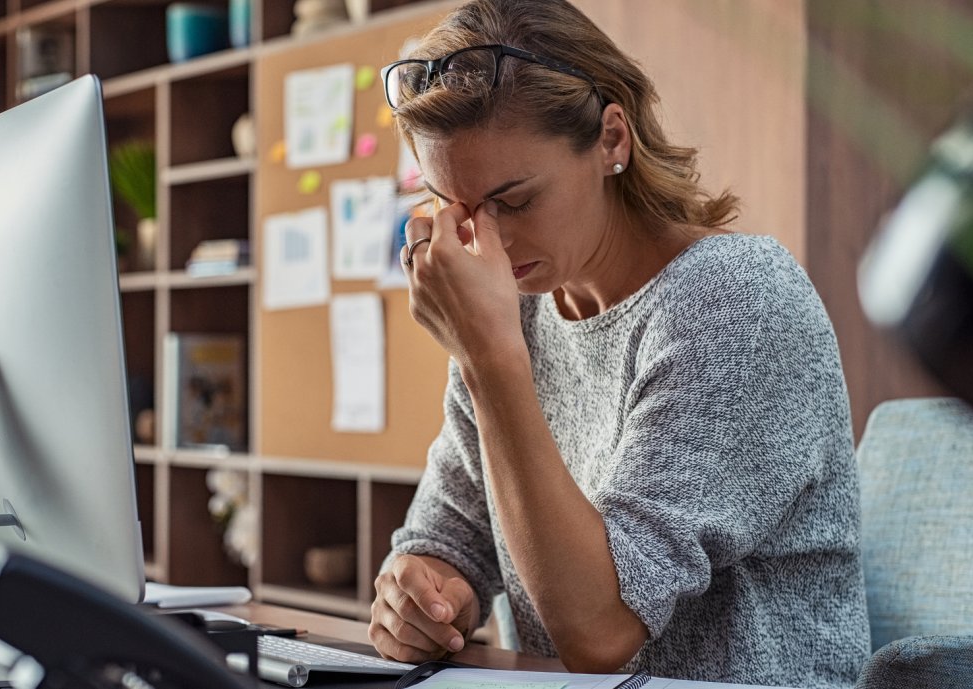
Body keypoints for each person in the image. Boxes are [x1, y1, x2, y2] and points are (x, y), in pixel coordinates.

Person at [369, 1, 869, 686]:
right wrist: (421, 593)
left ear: (612, 140)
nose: (485, 243)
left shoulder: (734, 301)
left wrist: (489, 359)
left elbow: (600, 629)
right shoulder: (517, 312)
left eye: (513, 201)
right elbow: (451, 536)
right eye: (454, 206)